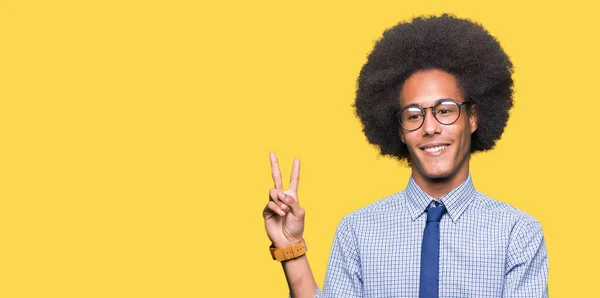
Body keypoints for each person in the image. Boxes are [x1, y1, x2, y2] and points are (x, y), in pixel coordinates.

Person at [262, 14, 548, 298]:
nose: (430, 127)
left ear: (472, 118)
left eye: (445, 110)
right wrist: (291, 249)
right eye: (414, 116)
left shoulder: (517, 234)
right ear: (399, 130)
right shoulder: (358, 231)